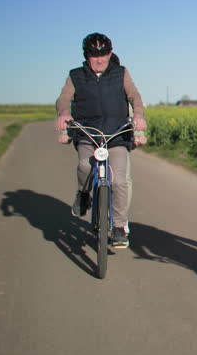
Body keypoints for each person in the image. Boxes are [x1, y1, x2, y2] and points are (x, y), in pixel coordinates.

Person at [54, 32, 147, 248]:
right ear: (86, 56)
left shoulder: (120, 73)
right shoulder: (75, 75)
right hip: (88, 133)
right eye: (94, 56)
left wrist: (139, 116)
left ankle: (119, 228)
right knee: (84, 167)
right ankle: (84, 194)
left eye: (103, 55)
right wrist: (63, 114)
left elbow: (134, 95)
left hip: (116, 134)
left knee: (119, 180)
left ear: (110, 53)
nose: (99, 60)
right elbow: (64, 98)